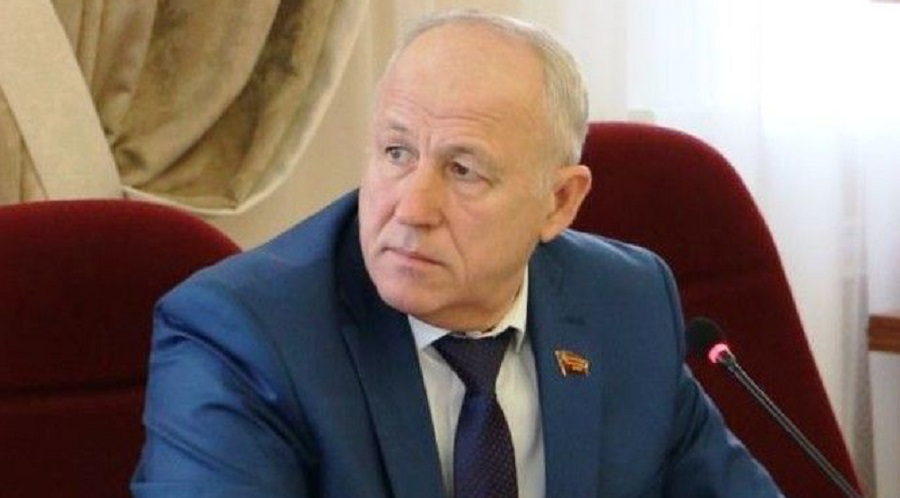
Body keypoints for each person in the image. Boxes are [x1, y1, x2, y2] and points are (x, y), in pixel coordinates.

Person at [132, 9, 784, 498]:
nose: (411, 208)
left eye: (464, 170)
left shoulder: (626, 303)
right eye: (397, 152)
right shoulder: (244, 335)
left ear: (559, 202)